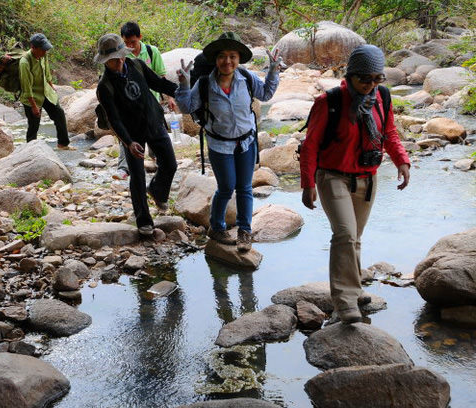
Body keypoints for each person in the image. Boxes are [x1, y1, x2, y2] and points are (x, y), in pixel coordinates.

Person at [299, 44, 411, 324]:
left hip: (367, 178)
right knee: (345, 235)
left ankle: (355, 289)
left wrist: (402, 161)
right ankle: (345, 302)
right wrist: (307, 183)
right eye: (365, 79)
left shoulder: (382, 97)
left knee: (354, 238)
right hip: (333, 176)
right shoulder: (330, 101)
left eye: (377, 78)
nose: (370, 85)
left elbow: (389, 132)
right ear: (351, 75)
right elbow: (311, 145)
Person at [175, 32, 281, 252]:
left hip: (246, 143)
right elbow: (186, 107)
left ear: (239, 58)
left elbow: (267, 93)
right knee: (226, 188)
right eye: (222, 56)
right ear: (215, 59)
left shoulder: (247, 78)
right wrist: (184, 85)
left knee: (244, 188)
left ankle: (244, 231)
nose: (228, 61)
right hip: (219, 145)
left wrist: (273, 71)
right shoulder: (204, 84)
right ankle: (216, 227)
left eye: (233, 56)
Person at [95, 33, 178, 236]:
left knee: (170, 163)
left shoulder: (137, 65)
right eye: (114, 60)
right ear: (106, 61)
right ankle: (143, 220)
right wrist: (129, 142)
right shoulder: (104, 87)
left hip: (154, 121)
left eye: (122, 56)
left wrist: (183, 90)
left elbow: (158, 84)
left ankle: (158, 191)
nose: (120, 61)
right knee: (138, 176)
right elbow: (114, 120)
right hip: (131, 133)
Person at [113, 21, 175, 180]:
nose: (130, 46)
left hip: (151, 104)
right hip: (130, 107)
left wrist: (170, 97)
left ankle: (157, 161)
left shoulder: (151, 52)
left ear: (140, 37)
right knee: (127, 138)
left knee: (157, 134)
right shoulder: (121, 55)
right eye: (126, 43)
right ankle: (123, 168)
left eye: (133, 42)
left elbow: (161, 77)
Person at [19, 33, 72, 148]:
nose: (45, 52)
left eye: (45, 49)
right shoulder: (25, 62)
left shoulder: (43, 55)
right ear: (33, 48)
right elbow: (26, 86)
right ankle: (30, 150)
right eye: (42, 49)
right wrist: (33, 106)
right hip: (32, 98)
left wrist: (51, 86)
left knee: (59, 114)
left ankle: (63, 144)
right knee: (34, 125)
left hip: (46, 92)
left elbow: (46, 72)